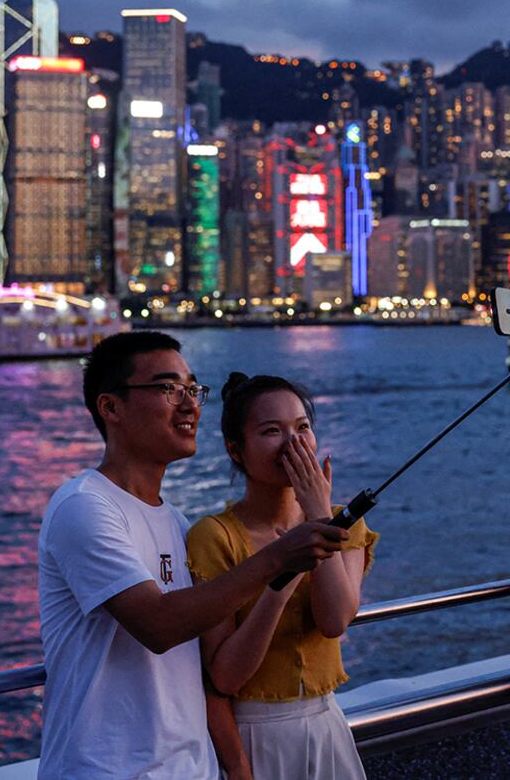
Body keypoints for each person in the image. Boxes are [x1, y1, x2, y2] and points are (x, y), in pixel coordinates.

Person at [37, 331, 351, 780]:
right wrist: (280, 558)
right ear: (111, 408)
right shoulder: (83, 506)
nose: (189, 404)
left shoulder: (178, 524)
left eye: (192, 389)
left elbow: (205, 673)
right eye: (168, 389)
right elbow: (158, 624)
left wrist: (237, 769)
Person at [188, 373, 378, 780]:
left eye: (303, 427)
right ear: (235, 450)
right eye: (272, 431)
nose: (293, 443)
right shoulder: (215, 536)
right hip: (255, 735)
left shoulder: (345, 523)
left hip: (327, 722)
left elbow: (335, 621)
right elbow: (224, 676)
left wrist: (318, 516)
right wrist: (279, 579)